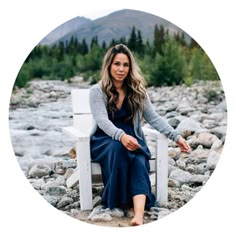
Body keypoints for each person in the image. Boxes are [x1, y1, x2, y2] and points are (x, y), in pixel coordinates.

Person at [89, 44, 191, 226]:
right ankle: (121, 201)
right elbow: (102, 121)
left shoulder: (137, 91)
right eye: (116, 64)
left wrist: (177, 137)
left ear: (130, 67)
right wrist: (121, 136)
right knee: (119, 148)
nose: (121, 69)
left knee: (137, 159)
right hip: (105, 140)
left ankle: (138, 214)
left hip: (133, 138)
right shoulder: (97, 91)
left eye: (125, 65)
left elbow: (154, 118)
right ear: (108, 66)